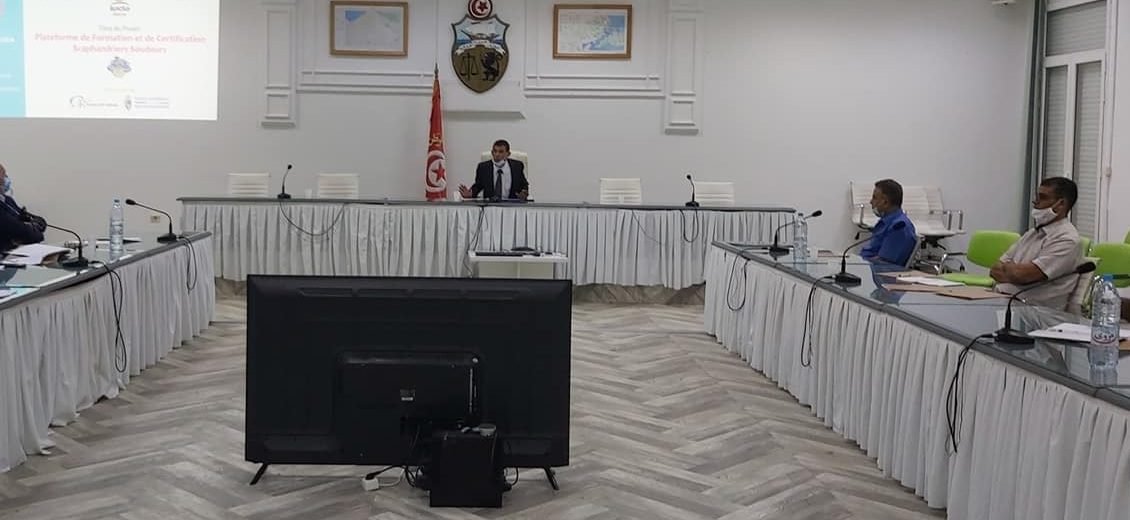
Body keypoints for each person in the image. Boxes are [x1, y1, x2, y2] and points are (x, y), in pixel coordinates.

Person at [991, 177, 1083, 310]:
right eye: (1037, 196)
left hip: (1037, 310)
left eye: (1043, 197)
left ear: (1061, 204)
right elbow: (994, 270)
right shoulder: (1032, 234)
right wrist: (1016, 272)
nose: (1035, 202)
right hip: (1008, 301)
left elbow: (1023, 275)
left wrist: (1012, 269)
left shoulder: (1067, 239)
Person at [860, 179, 918, 266]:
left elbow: (884, 263)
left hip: (878, 271)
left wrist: (857, 263)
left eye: (874, 198)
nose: (871, 202)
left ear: (886, 202)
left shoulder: (899, 227)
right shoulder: (886, 222)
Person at [458, 139, 529, 201]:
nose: (497, 154)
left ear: (508, 154)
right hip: (490, 206)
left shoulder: (517, 167)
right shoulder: (483, 168)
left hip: (511, 205)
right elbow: (478, 186)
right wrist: (471, 194)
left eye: (501, 152)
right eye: (495, 151)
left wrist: (524, 193)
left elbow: (524, 184)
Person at [0, 163, 46, 252]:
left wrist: (29, 226)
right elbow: (28, 234)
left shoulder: (8, 200)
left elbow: (41, 221)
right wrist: (28, 228)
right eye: (4, 175)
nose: (7, 178)